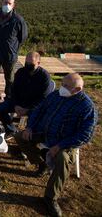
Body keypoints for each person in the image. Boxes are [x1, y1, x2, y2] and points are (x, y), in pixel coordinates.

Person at [16, 73, 97, 217]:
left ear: (77, 90)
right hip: (43, 133)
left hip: (64, 142)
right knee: (20, 136)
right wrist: (29, 127)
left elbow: (85, 135)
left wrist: (60, 146)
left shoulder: (86, 107)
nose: (62, 88)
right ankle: (42, 164)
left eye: (66, 86)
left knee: (63, 159)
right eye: (62, 84)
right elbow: (38, 111)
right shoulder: (55, 95)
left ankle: (50, 198)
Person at [0, 52, 50, 136]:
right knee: (0, 108)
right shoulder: (21, 72)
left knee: (36, 115)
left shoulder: (44, 76)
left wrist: (28, 109)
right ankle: (11, 130)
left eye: (30, 63)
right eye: (26, 62)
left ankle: (28, 134)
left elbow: (43, 98)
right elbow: (13, 91)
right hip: (19, 102)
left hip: (34, 105)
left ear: (38, 63)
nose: (28, 65)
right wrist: (16, 105)